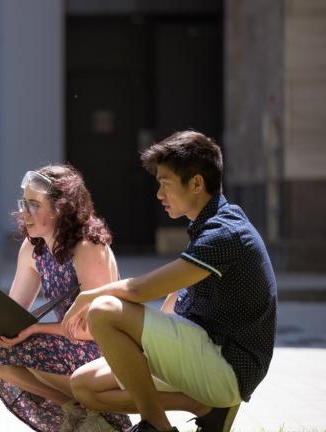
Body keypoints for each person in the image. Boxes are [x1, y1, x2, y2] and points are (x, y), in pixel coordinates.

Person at [62, 131, 277, 432]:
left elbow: (139, 290)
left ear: (197, 183)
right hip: (204, 351)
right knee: (84, 386)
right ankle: (204, 407)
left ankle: (156, 426)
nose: (159, 194)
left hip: (227, 366)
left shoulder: (224, 233)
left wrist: (88, 297)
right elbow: (178, 296)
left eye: (165, 183)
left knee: (104, 309)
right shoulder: (208, 225)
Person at [0, 165, 132, 432]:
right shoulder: (33, 247)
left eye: (34, 205)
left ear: (62, 208)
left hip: (104, 347)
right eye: (24, 203)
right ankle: (79, 413)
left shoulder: (87, 246)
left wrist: (36, 328)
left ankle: (99, 418)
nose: (24, 213)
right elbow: (12, 312)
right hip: (69, 340)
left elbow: (98, 328)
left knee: (29, 348)